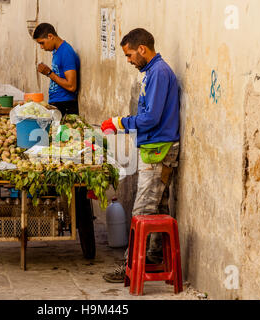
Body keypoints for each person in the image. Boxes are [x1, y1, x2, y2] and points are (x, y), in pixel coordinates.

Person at [101, 28, 181, 283]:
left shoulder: (159, 73)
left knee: (142, 212)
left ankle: (129, 267)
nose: (129, 60)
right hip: (154, 148)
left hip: (159, 151)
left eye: (129, 54)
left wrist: (120, 122)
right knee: (156, 208)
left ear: (142, 49)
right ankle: (153, 257)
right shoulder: (152, 72)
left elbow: (151, 118)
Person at [33, 23, 80, 116]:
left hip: (66, 105)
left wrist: (49, 73)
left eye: (42, 43)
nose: (41, 47)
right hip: (57, 104)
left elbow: (71, 86)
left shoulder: (66, 52)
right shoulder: (56, 51)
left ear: (50, 36)